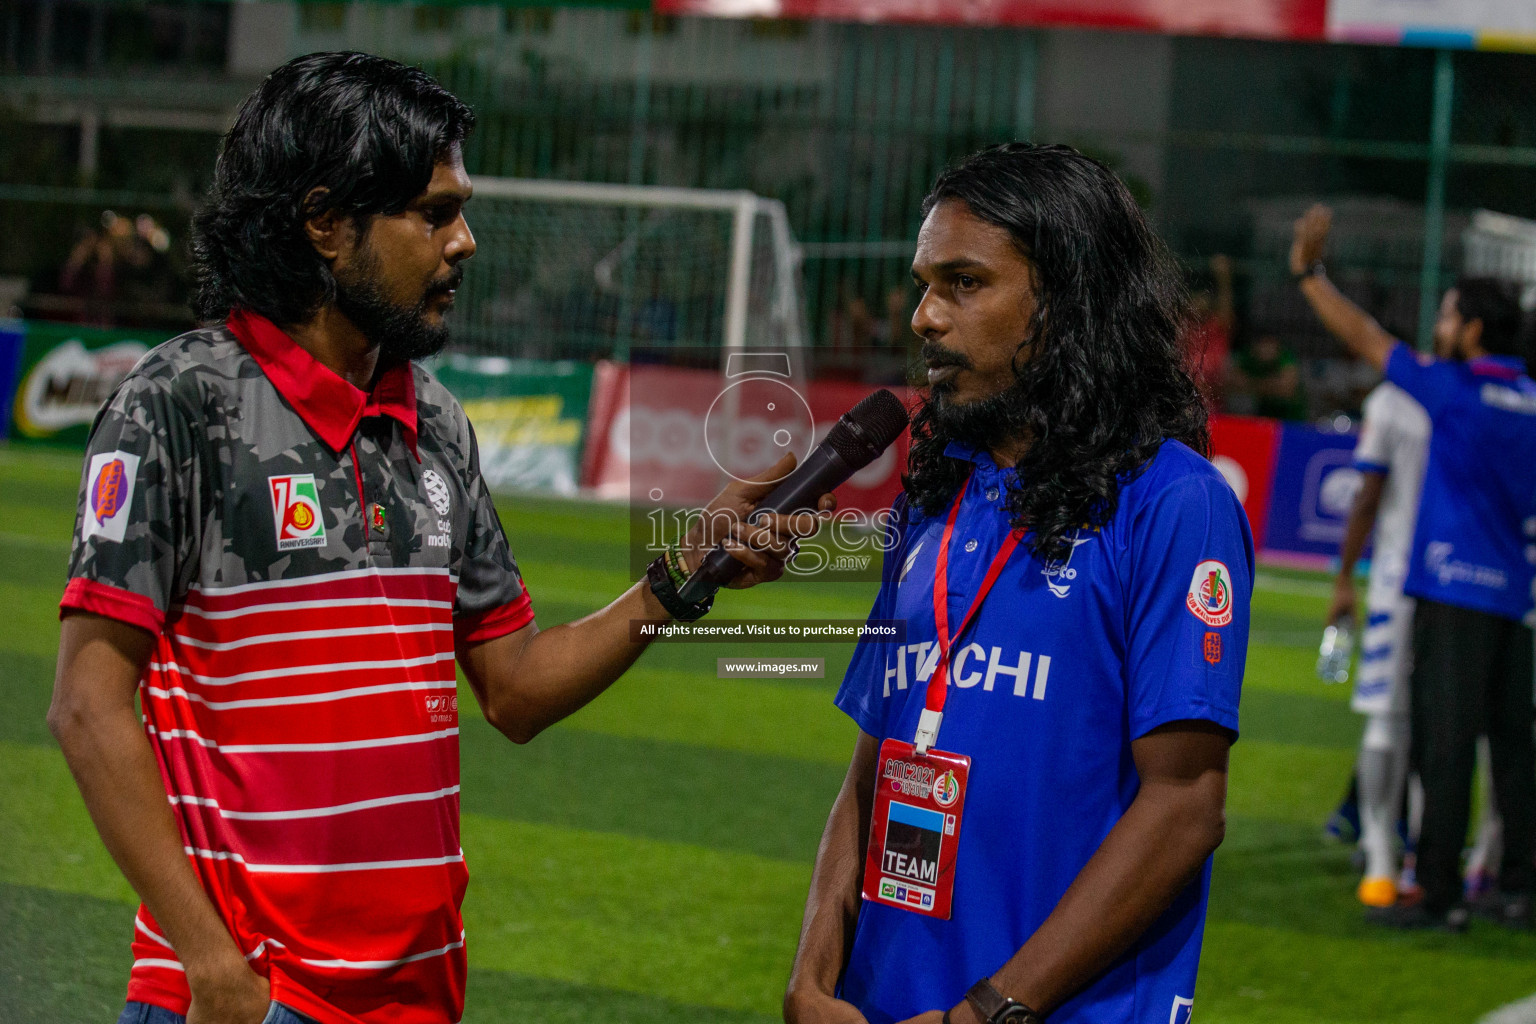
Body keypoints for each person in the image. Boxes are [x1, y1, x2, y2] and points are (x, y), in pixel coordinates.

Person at [48, 52, 824, 1024]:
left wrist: (683, 575)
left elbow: (518, 688)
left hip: (419, 998)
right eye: (434, 212)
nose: (465, 242)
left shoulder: (438, 422)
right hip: (249, 997)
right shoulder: (181, 402)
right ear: (326, 223)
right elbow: (86, 706)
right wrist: (212, 966)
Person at [784, 143, 1251, 1024]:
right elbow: (874, 765)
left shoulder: (1175, 504)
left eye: (964, 284)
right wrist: (812, 977)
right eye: (924, 283)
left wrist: (988, 1012)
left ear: (1069, 303)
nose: (924, 316)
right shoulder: (936, 495)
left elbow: (1185, 808)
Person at [1290, 203, 1536, 931]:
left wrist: (1308, 274)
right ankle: (1519, 887)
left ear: (1474, 331)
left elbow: (1365, 336)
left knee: (1446, 742)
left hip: (1452, 589)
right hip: (1518, 599)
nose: (1441, 324)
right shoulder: (1529, 400)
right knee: (1515, 750)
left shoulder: (1450, 389)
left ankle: (1435, 890)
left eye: (1451, 314)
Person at [1314, 316, 1433, 909]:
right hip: (1422, 584)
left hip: (1402, 582)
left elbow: (1367, 497)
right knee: (1418, 726)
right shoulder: (1429, 401)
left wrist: (1344, 577)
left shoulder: (1395, 400)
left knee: (1401, 723)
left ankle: (1387, 853)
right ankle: (1390, 851)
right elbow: (1366, 497)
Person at [1226, 331, 1306, 421]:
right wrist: (1271, 386)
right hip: (1255, 416)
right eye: (1263, 345)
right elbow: (1230, 383)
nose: (1266, 350)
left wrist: (1251, 385)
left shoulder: (1285, 356)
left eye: (1270, 345)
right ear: (1255, 346)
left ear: (1277, 346)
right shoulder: (1246, 356)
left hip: (1289, 418)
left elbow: (1286, 389)